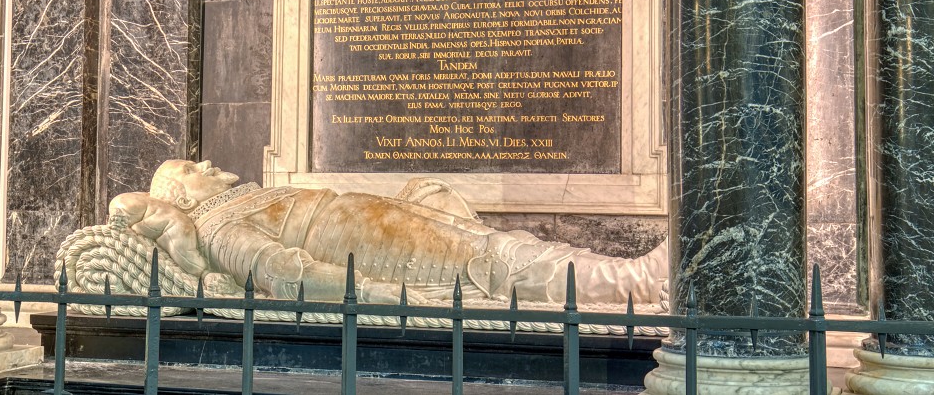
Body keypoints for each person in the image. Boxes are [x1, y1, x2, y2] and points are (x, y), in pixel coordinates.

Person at [107, 159, 667, 305]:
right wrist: (383, 293)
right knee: (496, 262)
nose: (205, 163)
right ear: (182, 198)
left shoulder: (238, 202)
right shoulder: (219, 226)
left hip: (377, 223)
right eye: (190, 169)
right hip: (372, 251)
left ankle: (627, 278)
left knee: (491, 247)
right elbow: (286, 273)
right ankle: (636, 282)